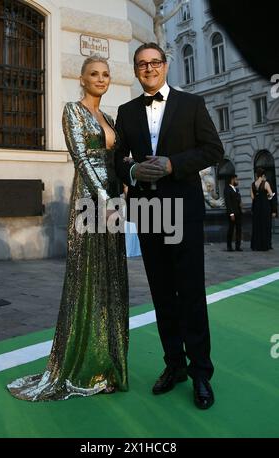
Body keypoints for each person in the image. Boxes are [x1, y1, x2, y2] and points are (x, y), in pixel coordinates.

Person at [7, 56, 129, 401]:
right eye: (94, 74)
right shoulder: (72, 111)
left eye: (106, 74)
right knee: (88, 277)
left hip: (111, 202)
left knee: (111, 277)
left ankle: (106, 364)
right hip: (90, 200)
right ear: (82, 78)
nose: (101, 79)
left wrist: (122, 188)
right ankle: (81, 365)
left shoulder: (110, 118)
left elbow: (115, 161)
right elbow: (82, 158)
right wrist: (104, 197)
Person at [115, 43, 224, 409]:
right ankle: (173, 365)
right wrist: (131, 169)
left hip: (183, 208)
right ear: (135, 70)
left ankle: (201, 374)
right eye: (142, 64)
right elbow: (116, 159)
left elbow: (213, 150)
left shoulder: (192, 104)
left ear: (165, 65)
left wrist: (173, 165)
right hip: (146, 210)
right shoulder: (126, 111)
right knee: (162, 292)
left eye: (155, 62)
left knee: (190, 293)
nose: (149, 68)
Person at [251, 168, 276, 251]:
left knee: (257, 226)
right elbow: (271, 195)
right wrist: (268, 196)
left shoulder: (253, 184)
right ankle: (266, 245)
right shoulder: (265, 183)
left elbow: (252, 197)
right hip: (265, 206)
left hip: (256, 207)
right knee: (266, 226)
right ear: (263, 175)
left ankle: (257, 245)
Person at [224, 174, 243, 251]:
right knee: (231, 230)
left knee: (239, 230)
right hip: (232, 213)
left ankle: (237, 246)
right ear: (232, 180)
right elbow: (228, 202)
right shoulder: (227, 189)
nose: (237, 181)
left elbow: (238, 199)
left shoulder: (236, 189)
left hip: (238, 212)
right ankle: (229, 246)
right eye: (236, 179)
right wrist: (231, 214)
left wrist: (241, 204)